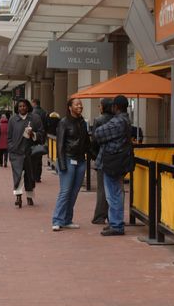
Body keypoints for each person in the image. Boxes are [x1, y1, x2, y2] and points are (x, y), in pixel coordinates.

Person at [94, 95, 131, 236]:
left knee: (113, 194)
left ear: (116, 107)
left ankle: (116, 224)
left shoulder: (118, 121)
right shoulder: (124, 120)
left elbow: (98, 134)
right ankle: (114, 222)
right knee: (114, 192)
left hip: (112, 161)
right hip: (117, 160)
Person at [51, 98, 90, 231]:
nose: (80, 106)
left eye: (81, 104)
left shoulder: (83, 122)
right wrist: (61, 164)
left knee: (74, 192)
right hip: (67, 160)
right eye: (77, 104)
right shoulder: (63, 122)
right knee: (65, 191)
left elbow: (87, 142)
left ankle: (67, 219)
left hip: (80, 161)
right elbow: (60, 144)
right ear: (69, 107)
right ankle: (57, 219)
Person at [8, 98, 45, 208]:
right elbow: (9, 136)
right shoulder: (13, 120)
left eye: (24, 106)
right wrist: (11, 147)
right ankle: (18, 197)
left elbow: (42, 133)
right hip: (16, 152)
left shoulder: (35, 118)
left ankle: (29, 196)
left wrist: (33, 134)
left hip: (30, 152)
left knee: (30, 176)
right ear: (17, 108)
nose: (22, 108)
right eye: (20, 106)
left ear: (28, 106)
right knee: (18, 175)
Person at [90, 98, 113, 225]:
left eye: (100, 105)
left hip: (102, 157)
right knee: (115, 188)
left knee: (102, 189)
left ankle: (99, 216)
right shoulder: (118, 120)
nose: (99, 107)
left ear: (103, 107)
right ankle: (112, 215)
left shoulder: (99, 120)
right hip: (116, 158)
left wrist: (95, 155)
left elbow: (94, 140)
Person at [30, 98, 48, 183]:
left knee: (33, 156)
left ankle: (33, 175)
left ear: (34, 103)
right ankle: (38, 176)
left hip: (34, 136)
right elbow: (46, 125)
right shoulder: (44, 112)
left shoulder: (33, 113)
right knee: (39, 155)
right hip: (42, 136)